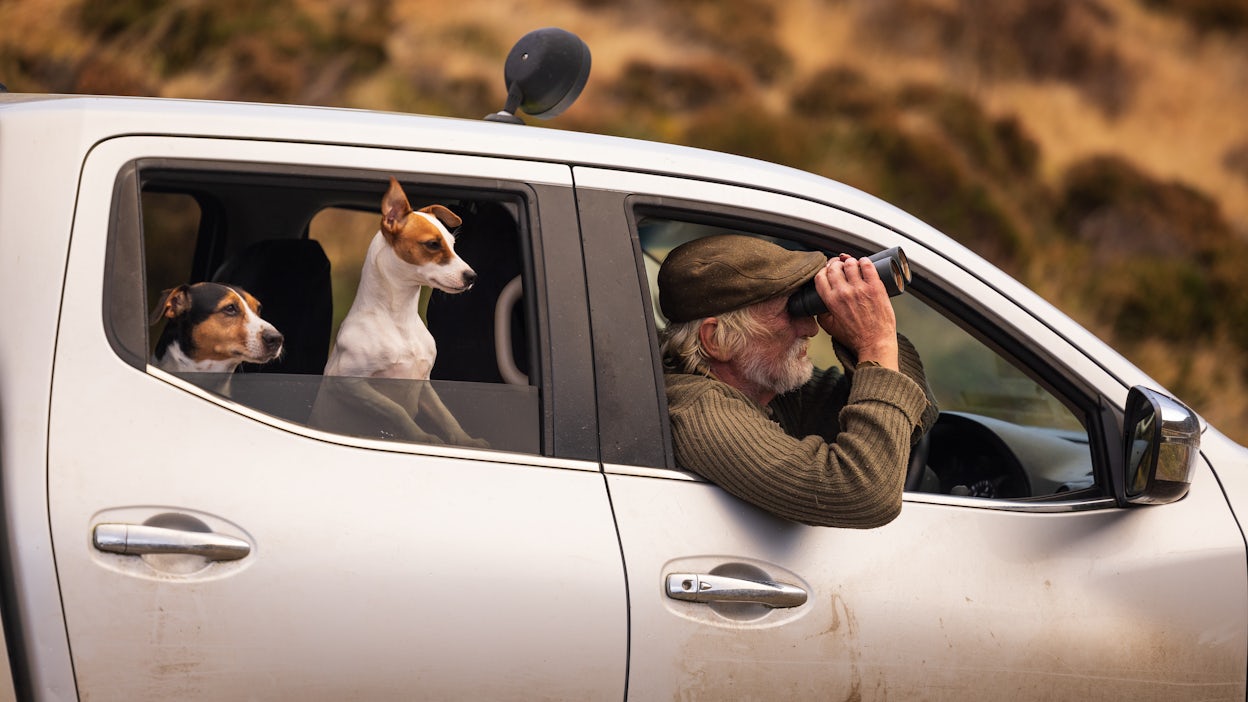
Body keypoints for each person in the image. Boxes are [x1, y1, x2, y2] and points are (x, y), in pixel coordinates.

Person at [657, 234, 938, 528]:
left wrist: (862, 331)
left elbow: (913, 415)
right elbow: (863, 494)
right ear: (716, 340)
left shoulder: (764, 385)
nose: (810, 328)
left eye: (804, 306)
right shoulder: (701, 411)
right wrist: (875, 343)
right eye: (790, 312)